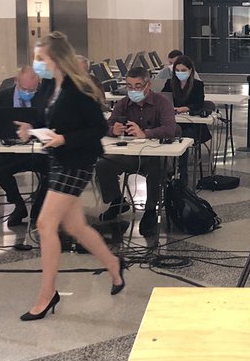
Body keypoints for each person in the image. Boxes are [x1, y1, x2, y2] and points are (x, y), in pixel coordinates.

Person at [15, 32, 125, 321]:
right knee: (75, 227)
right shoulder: (50, 87)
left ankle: (47, 294)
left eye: (41, 58)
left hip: (77, 162)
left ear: (55, 58)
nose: (37, 63)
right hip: (58, 160)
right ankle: (113, 264)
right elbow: (48, 120)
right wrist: (31, 130)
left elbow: (97, 128)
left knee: (45, 224)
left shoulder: (79, 88)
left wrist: (64, 139)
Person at [96, 66, 178, 236]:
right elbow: (107, 125)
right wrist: (113, 130)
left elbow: (171, 128)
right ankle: (117, 201)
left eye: (138, 86)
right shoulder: (123, 104)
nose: (133, 90)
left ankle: (150, 210)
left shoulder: (162, 102)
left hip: (155, 155)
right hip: (130, 154)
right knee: (103, 164)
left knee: (155, 168)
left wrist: (145, 133)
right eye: (129, 86)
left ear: (148, 85)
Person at [0, 65, 52, 227]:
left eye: (32, 90)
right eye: (24, 89)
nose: (28, 92)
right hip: (8, 152)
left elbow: (52, 125)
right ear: (16, 81)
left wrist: (35, 130)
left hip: (37, 152)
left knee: (54, 169)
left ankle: (38, 210)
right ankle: (18, 205)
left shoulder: (45, 99)